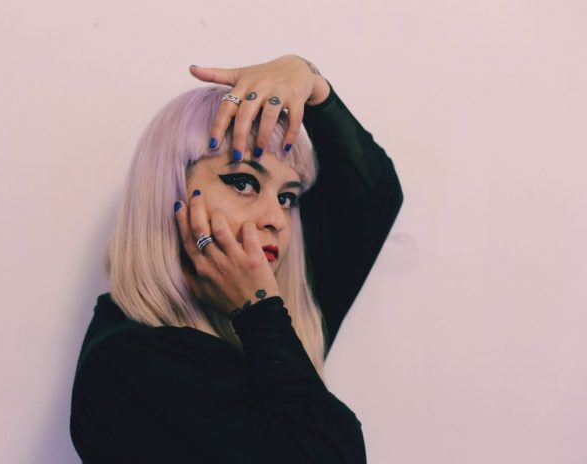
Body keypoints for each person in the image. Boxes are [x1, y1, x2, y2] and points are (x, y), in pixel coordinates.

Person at [69, 54, 403, 463]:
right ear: (169, 193)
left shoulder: (276, 304)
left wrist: (311, 83)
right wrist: (259, 313)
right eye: (243, 182)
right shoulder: (125, 365)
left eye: (287, 197)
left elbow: (371, 196)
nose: (275, 218)